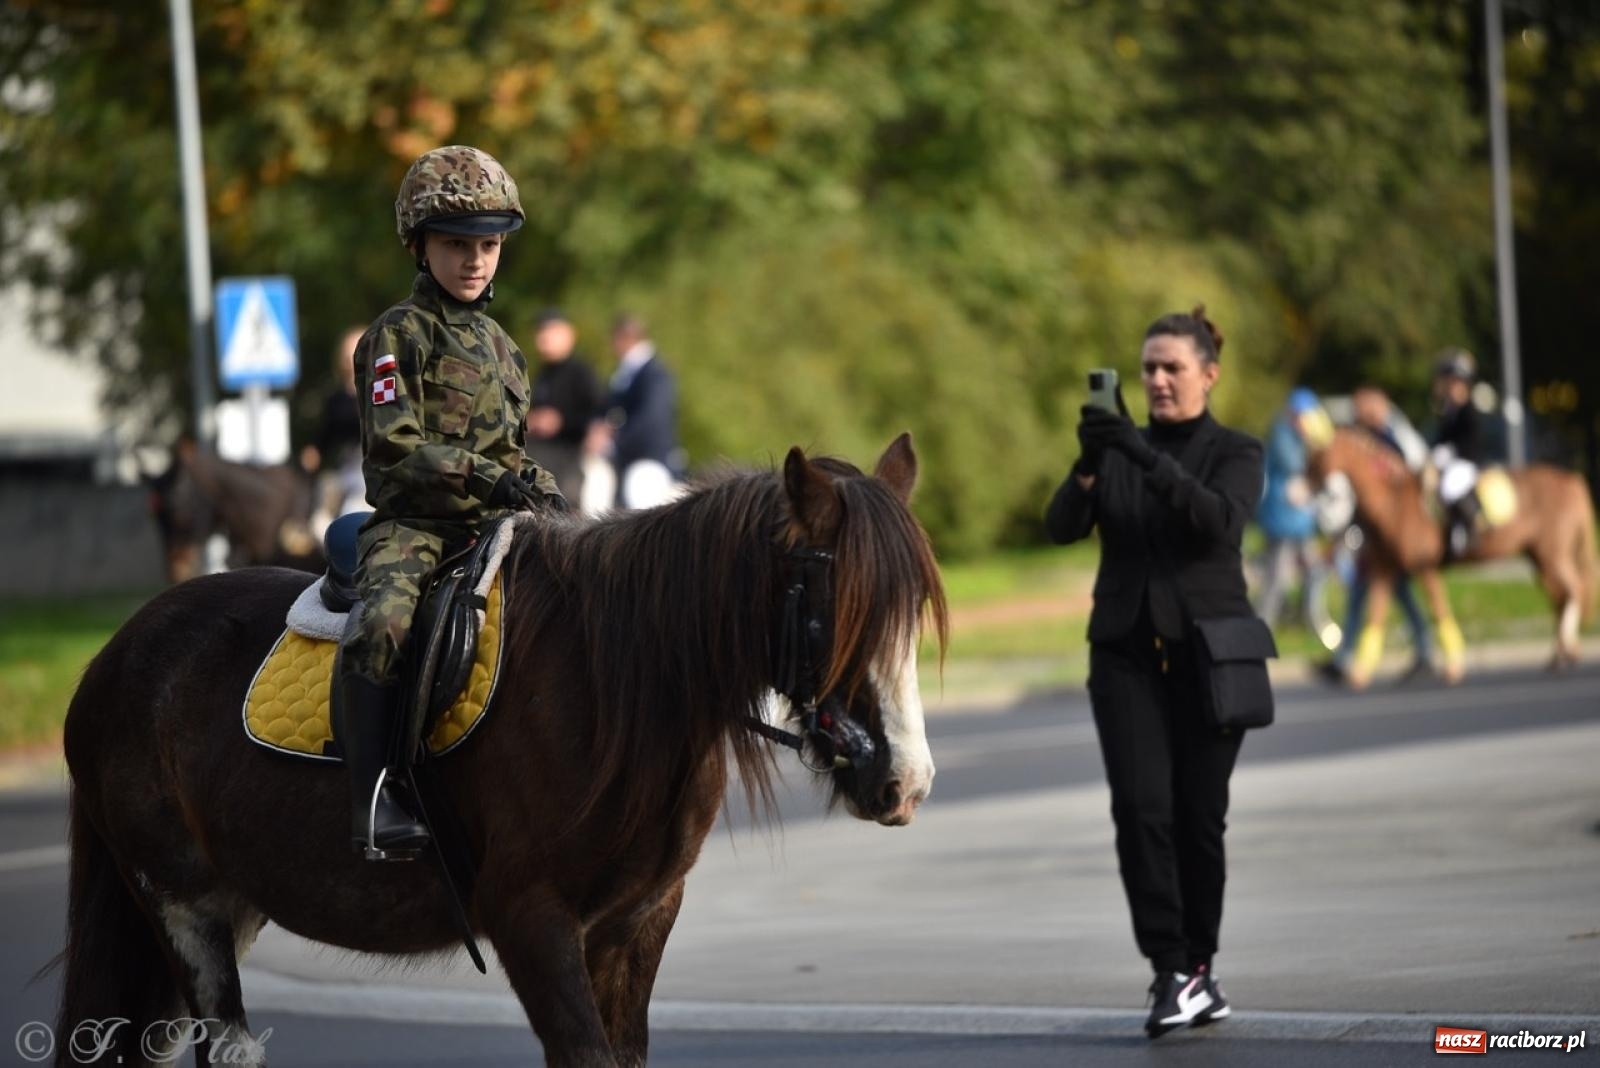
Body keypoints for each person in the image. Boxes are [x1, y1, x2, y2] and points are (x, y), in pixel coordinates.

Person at [338, 145, 565, 859]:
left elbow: (513, 454)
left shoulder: (504, 348)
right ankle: (375, 796)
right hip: (414, 527)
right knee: (383, 626)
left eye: (489, 245)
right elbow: (394, 449)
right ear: (420, 245)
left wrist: (551, 496)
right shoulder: (394, 336)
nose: (475, 261)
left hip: (496, 525)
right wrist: (486, 478)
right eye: (457, 245)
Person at [1044, 306, 1264, 1038]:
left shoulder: (1237, 450)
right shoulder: (1113, 449)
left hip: (1209, 660)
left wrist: (1138, 453)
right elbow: (1060, 527)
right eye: (1148, 369)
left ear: (1210, 373)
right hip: (1124, 656)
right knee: (1141, 814)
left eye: (1173, 368)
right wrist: (1086, 465)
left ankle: (1200, 967)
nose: (1159, 380)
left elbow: (1218, 523)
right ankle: (1170, 968)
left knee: (1199, 818)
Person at [1314, 386, 1435, 685]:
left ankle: (1420, 651)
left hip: (1394, 532)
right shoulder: (1358, 437)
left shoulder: (1391, 435)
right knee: (1368, 590)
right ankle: (1349, 657)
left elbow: (1409, 471)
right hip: (1370, 530)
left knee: (1396, 590)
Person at [585, 313, 683, 509]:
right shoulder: (625, 374)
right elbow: (606, 409)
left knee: (639, 493)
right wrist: (596, 428)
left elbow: (651, 421)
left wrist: (613, 442)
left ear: (623, 339)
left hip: (648, 459)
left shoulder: (656, 375)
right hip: (620, 459)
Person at [1254, 388, 1321, 628]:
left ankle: (1309, 618)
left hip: (1300, 519)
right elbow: (1295, 463)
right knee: (1277, 577)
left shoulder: (1299, 436)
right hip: (1282, 518)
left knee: (1314, 570)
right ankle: (1262, 625)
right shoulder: (1282, 432)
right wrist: (1312, 441)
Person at [523, 307, 602, 504]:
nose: (543, 339)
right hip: (540, 455)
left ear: (568, 334)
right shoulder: (543, 374)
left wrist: (561, 422)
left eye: (550, 332)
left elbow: (597, 417)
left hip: (570, 458)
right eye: (540, 333)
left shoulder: (581, 372)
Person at [301, 326, 368, 537]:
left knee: (351, 514)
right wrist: (314, 452)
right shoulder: (336, 399)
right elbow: (325, 435)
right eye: (346, 353)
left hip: (370, 472)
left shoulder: (379, 390)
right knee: (318, 524)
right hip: (345, 471)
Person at [1429, 348, 1487, 559]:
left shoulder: (1469, 409)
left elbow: (1470, 441)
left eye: (1451, 382)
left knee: (1449, 487)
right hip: (1452, 460)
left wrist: (1449, 452)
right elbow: (1441, 438)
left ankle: (1470, 528)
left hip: (1466, 462)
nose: (1447, 387)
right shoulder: (1449, 411)